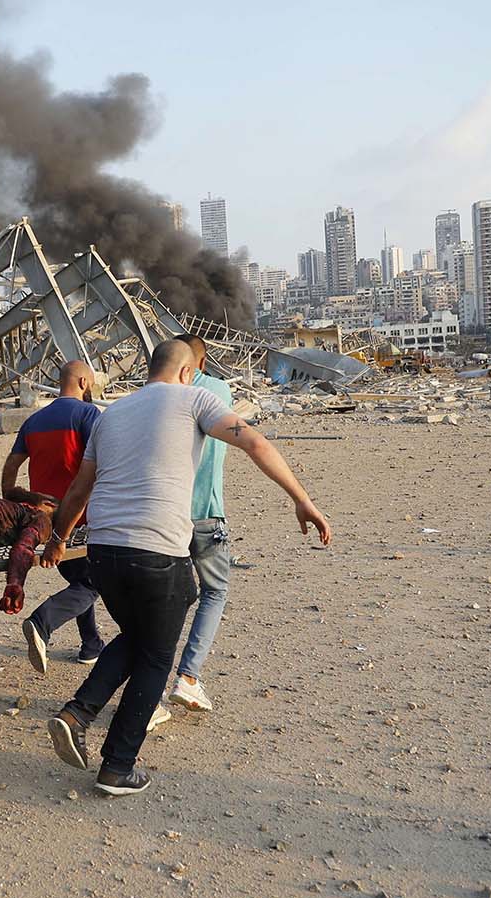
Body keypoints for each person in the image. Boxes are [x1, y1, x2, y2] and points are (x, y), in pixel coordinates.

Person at [40, 340, 332, 797]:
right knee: (157, 655)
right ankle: (117, 765)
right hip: (156, 551)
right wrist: (303, 500)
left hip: (103, 552)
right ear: (187, 371)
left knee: (138, 637)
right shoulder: (194, 396)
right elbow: (254, 441)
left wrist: (58, 539)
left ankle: (77, 715)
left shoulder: (112, 413)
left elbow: (79, 489)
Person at [1, 360, 106, 672]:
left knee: (78, 579)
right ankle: (42, 622)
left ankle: (91, 644)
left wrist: (21, 496)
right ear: (84, 383)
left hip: (44, 521)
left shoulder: (34, 421)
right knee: (92, 584)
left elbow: (10, 469)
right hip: (81, 519)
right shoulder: (88, 415)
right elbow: (99, 465)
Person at [167, 334, 231, 714]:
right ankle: (188, 677)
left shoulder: (159, 397)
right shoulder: (218, 390)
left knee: (164, 600)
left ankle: (151, 687)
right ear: (200, 364)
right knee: (214, 592)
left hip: (163, 517)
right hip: (207, 514)